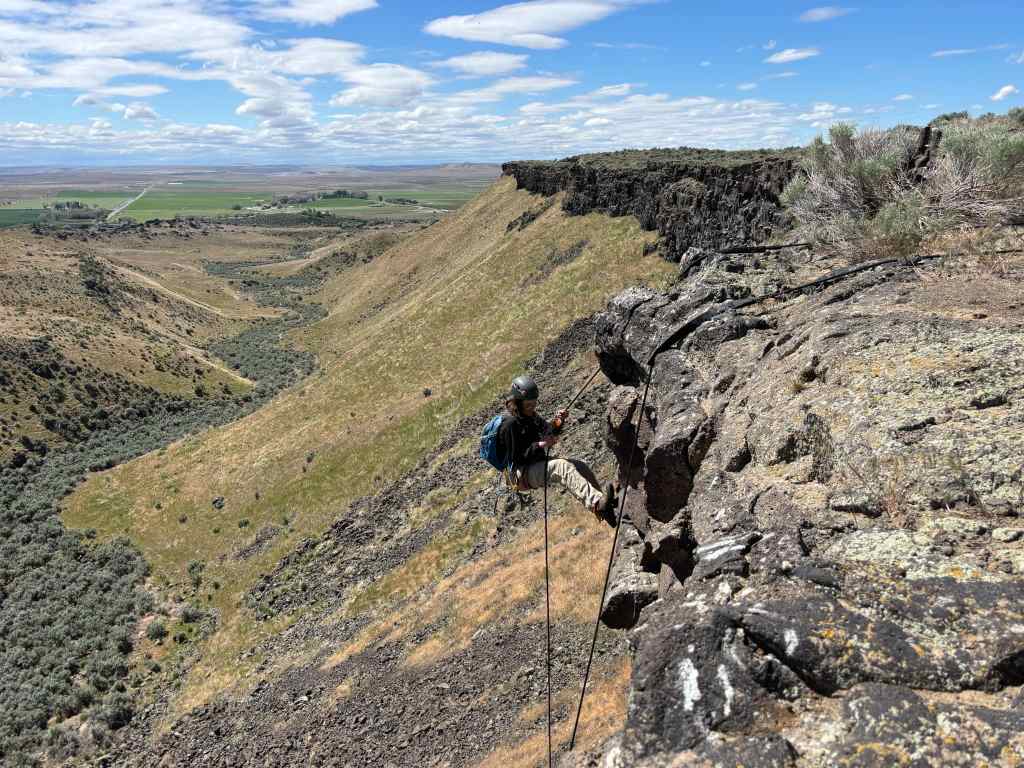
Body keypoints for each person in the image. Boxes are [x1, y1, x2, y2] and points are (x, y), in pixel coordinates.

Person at [498, 374, 618, 526]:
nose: (532, 408)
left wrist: (558, 422)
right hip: (520, 473)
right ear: (518, 402)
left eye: (534, 404)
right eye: (528, 405)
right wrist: (541, 444)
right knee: (562, 467)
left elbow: (547, 430)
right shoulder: (509, 424)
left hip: (536, 463)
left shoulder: (531, 415)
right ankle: (597, 504)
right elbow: (517, 457)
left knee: (580, 466)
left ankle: (604, 507)